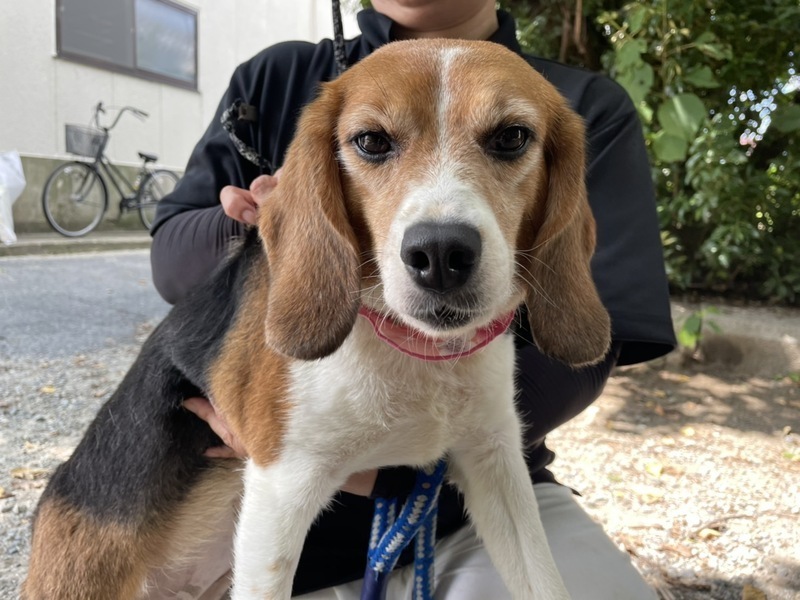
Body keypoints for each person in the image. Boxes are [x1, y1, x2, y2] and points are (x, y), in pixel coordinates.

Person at [148, 0, 677, 598]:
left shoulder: (583, 102)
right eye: (374, 142)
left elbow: (577, 345)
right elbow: (172, 259)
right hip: (231, 496)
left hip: (459, 510)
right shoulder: (277, 77)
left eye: (508, 139)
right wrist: (291, 223)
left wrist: (401, 465)